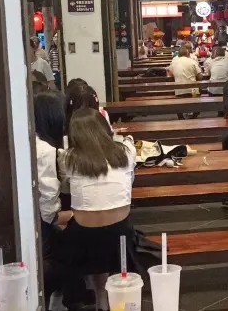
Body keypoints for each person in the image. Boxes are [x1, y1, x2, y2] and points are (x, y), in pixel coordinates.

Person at [60, 108, 137, 311]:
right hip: (120, 231)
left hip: (84, 237)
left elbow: (67, 190)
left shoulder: (68, 158)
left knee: (69, 228)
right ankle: (119, 297)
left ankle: (98, 298)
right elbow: (129, 183)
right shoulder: (126, 152)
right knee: (114, 226)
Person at [33, 90, 89, 310]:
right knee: (80, 234)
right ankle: (73, 297)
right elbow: (50, 214)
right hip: (42, 229)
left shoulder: (32, 144)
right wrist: (80, 215)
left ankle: (73, 294)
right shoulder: (46, 152)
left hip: (33, 223)